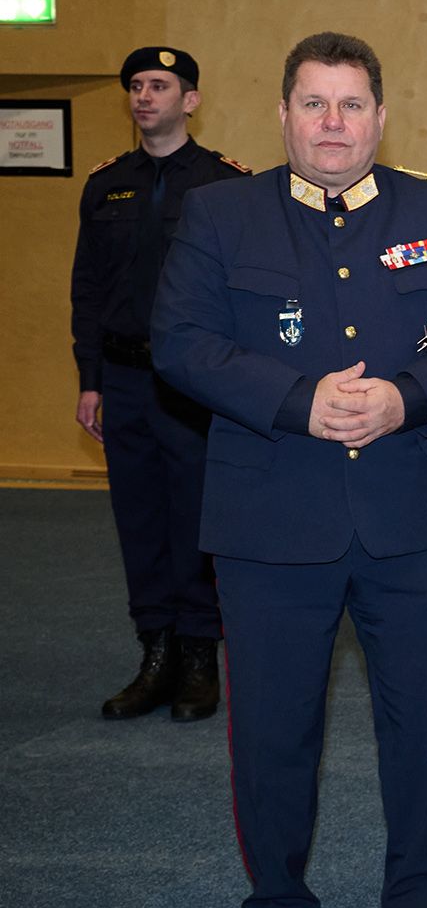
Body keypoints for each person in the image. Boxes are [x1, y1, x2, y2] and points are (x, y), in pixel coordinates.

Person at [153, 31, 427, 908]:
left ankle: (420, 905)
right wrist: (295, 399)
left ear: (382, 117)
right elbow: (178, 342)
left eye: (353, 105)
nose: (334, 124)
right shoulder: (220, 214)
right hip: (273, 516)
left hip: (409, 510)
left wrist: (409, 395)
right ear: (282, 115)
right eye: (314, 104)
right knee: (272, 727)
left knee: (423, 720)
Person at [70, 47, 249, 723]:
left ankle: (201, 655)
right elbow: (87, 291)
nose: (145, 96)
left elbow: (242, 293)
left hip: (193, 380)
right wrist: (89, 379)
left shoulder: (226, 184)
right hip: (122, 375)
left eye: (160, 85)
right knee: (139, 519)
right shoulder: (105, 183)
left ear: (191, 99)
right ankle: (156, 653)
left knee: (194, 516)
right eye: (136, 87)